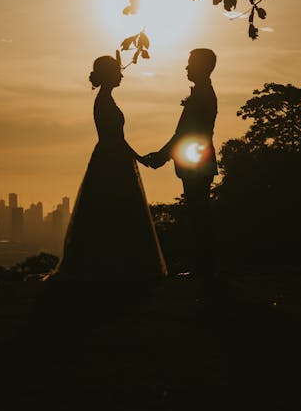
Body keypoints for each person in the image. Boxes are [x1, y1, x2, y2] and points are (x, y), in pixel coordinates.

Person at [53, 54, 167, 284]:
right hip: (111, 160)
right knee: (113, 208)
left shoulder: (105, 99)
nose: (121, 75)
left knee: (111, 210)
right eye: (117, 72)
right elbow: (115, 138)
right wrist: (140, 159)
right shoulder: (104, 101)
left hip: (111, 158)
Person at [143, 48, 218, 278]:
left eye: (190, 63)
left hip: (197, 161)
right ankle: (202, 265)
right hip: (195, 160)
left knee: (198, 214)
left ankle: (203, 267)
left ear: (203, 67)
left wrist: (162, 156)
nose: (186, 67)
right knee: (197, 213)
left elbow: (184, 133)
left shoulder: (203, 96)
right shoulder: (202, 94)